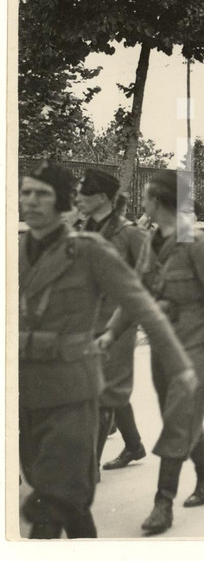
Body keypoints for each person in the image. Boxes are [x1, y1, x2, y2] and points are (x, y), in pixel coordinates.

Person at [19, 161, 193, 539]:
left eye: (42, 194)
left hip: (79, 368)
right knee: (58, 491)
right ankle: (114, 459)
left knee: (51, 496)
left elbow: (142, 291)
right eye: (26, 192)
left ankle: (93, 466)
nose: (30, 201)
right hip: (26, 384)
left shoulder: (95, 245)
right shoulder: (17, 250)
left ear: (63, 201)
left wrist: (179, 364)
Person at [101, 170, 204, 535]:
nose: (143, 203)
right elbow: (137, 294)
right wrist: (111, 332)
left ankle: (163, 502)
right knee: (179, 412)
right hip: (163, 342)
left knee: (178, 415)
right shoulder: (151, 243)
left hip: (193, 342)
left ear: (160, 201)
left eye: (148, 197)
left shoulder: (199, 244)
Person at [74, 168, 150, 470]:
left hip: (119, 323)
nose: (77, 199)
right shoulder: (82, 230)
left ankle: (88, 467)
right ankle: (133, 446)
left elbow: (148, 277)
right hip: (86, 322)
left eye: (83, 193)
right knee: (101, 387)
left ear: (102, 198)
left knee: (105, 390)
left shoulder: (130, 233)